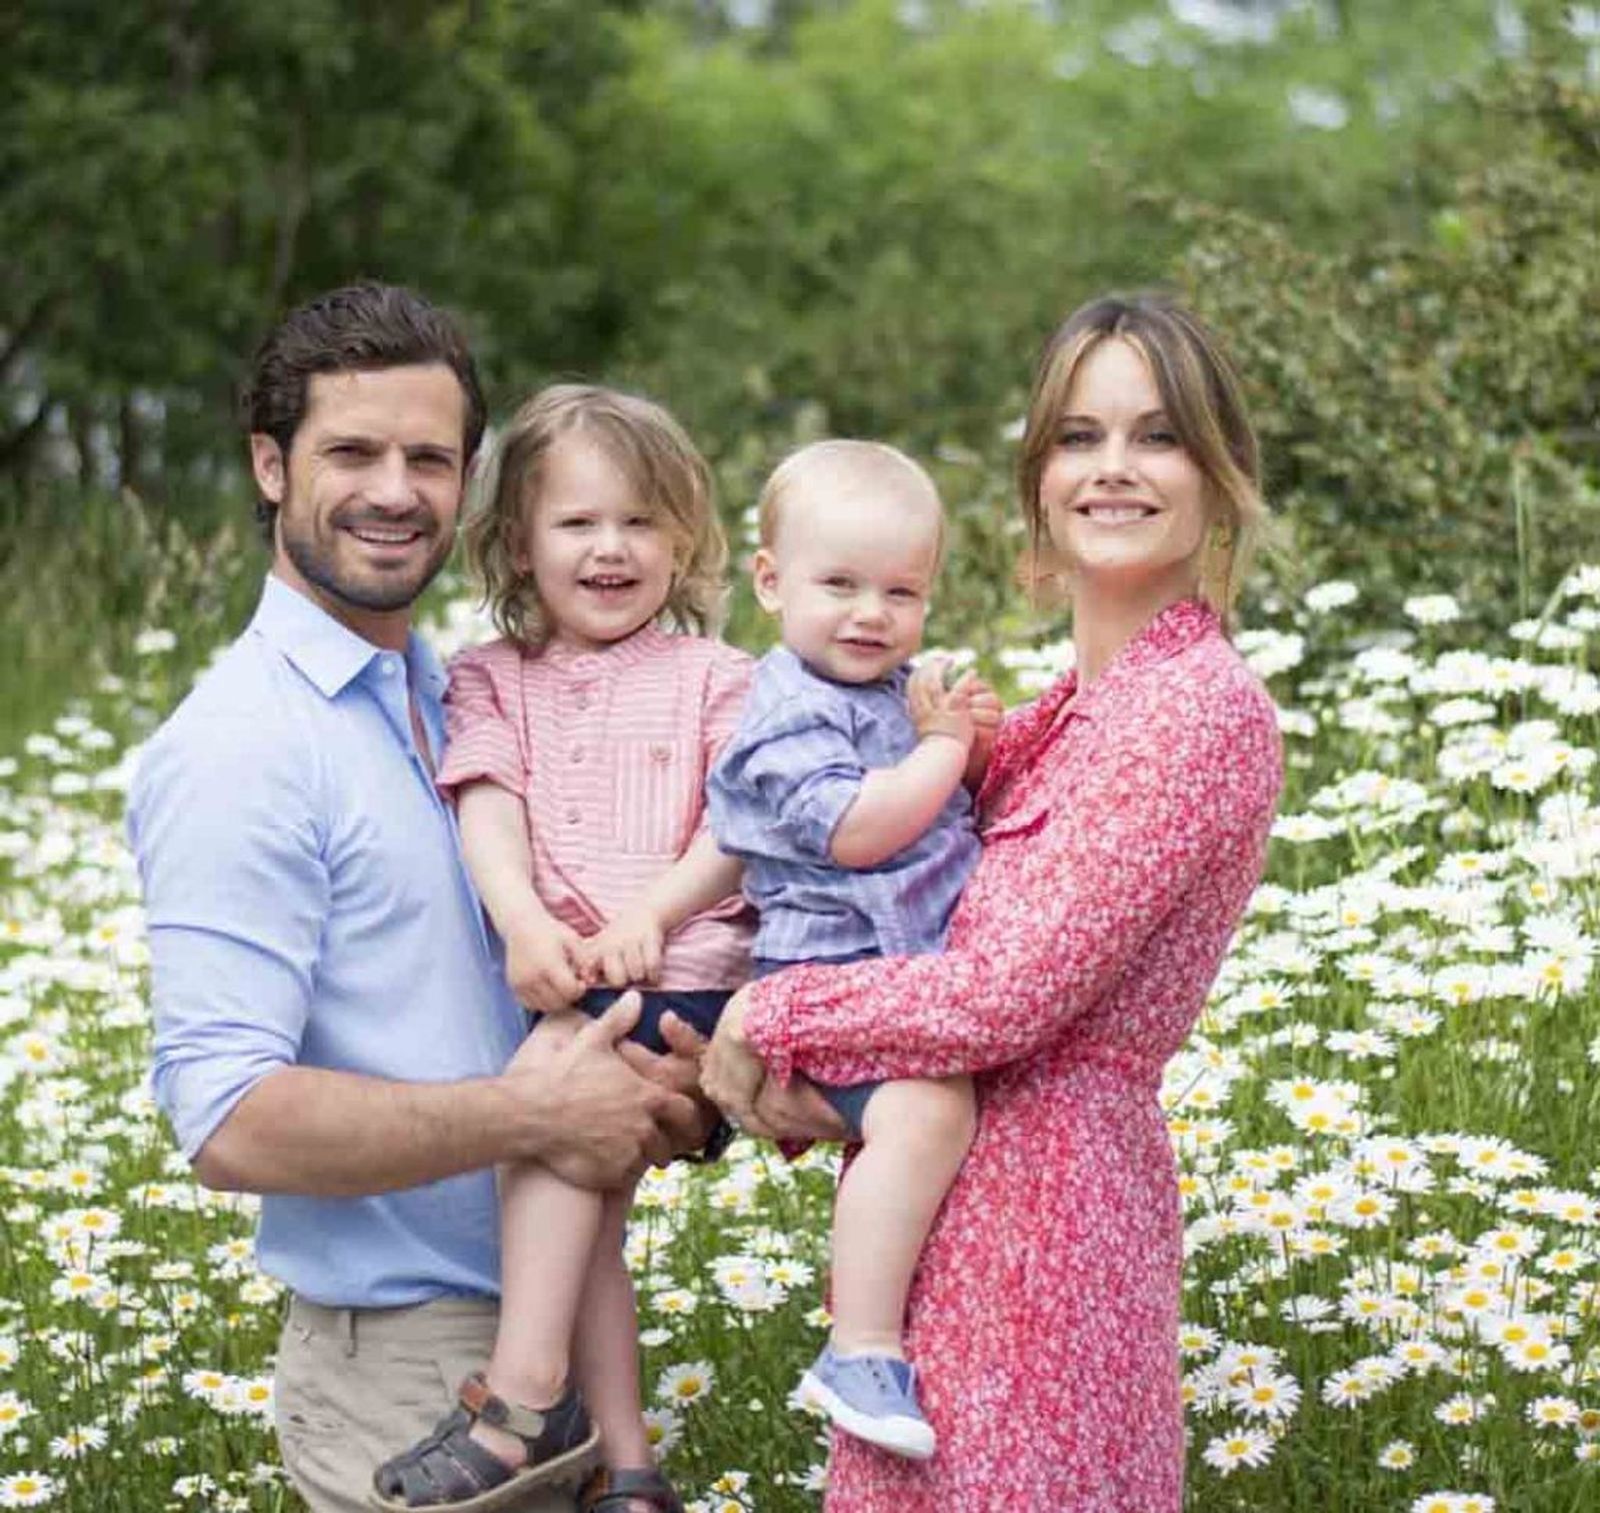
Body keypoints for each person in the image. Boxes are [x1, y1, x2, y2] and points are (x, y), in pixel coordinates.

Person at [128, 285, 708, 1513]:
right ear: (270, 466)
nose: (394, 489)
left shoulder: (469, 695)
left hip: (568, 1330)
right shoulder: (243, 746)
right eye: (351, 451)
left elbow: (558, 1034)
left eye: (429, 458)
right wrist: (529, 1115)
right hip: (408, 1377)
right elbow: (227, 1119)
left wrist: (663, 1099)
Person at [702, 293, 1284, 1510]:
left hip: (1047, 1245)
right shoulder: (1064, 712)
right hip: (949, 1238)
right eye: (1077, 436)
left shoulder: (1195, 708)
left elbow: (999, 995)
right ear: (1036, 475)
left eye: (1156, 434)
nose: (1111, 468)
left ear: (1219, 473)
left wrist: (768, 1016)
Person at [366, 384, 756, 1513]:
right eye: (577, 522)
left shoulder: (719, 680)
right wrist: (525, 925)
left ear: (682, 537)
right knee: (581, 1209)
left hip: (682, 979)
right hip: (574, 979)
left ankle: (524, 1401)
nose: (610, 547)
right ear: (517, 542)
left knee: (540, 1112)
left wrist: (656, 913)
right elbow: (488, 802)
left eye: (639, 521)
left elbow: (742, 824)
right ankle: (628, 1465)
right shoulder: (494, 676)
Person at [705, 440, 999, 1460]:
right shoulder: (784, 712)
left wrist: (971, 735)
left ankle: (881, 1336)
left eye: (901, 590)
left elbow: (944, 795)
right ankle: (861, 1347)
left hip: (897, 969)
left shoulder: (892, 689)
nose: (870, 613)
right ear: (771, 582)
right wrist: (944, 751)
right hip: (824, 980)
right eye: (839, 585)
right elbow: (859, 830)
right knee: (925, 1111)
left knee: (934, 1114)